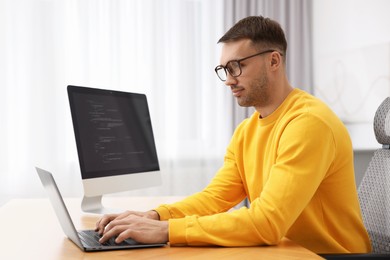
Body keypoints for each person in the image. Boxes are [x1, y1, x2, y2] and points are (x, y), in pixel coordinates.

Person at [95, 16, 371, 254]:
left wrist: (167, 230)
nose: (228, 79)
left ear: (274, 61)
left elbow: (266, 223)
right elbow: (216, 198)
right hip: (284, 251)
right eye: (224, 69)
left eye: (236, 66)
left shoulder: (309, 123)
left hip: (326, 255)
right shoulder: (246, 130)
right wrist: (155, 216)